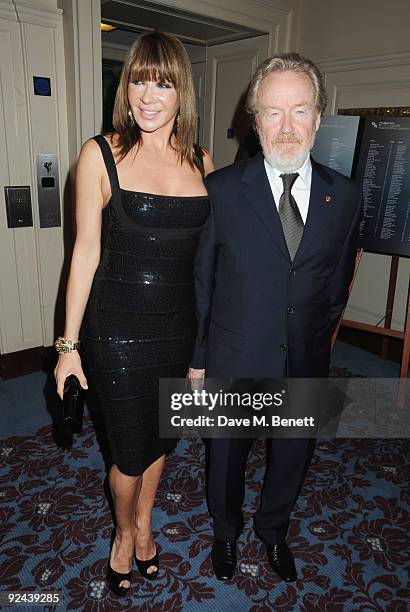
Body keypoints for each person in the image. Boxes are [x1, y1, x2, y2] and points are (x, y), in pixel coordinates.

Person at [188, 52, 361, 582]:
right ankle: (225, 534)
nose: (287, 127)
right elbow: (202, 284)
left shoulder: (346, 195)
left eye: (300, 111)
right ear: (254, 120)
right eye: (273, 112)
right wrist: (198, 361)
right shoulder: (221, 191)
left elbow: (336, 283)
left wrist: (318, 341)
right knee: (226, 460)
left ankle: (273, 531)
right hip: (235, 354)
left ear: (319, 118)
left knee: (292, 455)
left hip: (305, 355)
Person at [54, 31, 213, 596]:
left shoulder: (200, 159)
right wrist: (68, 348)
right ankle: (124, 533)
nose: (149, 94)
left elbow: (205, 265)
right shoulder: (100, 153)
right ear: (126, 88)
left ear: (181, 93)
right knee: (128, 451)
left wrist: (202, 352)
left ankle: (147, 524)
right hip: (115, 332)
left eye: (163, 82)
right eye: (140, 79)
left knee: (163, 441)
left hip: (178, 329)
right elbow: (85, 255)